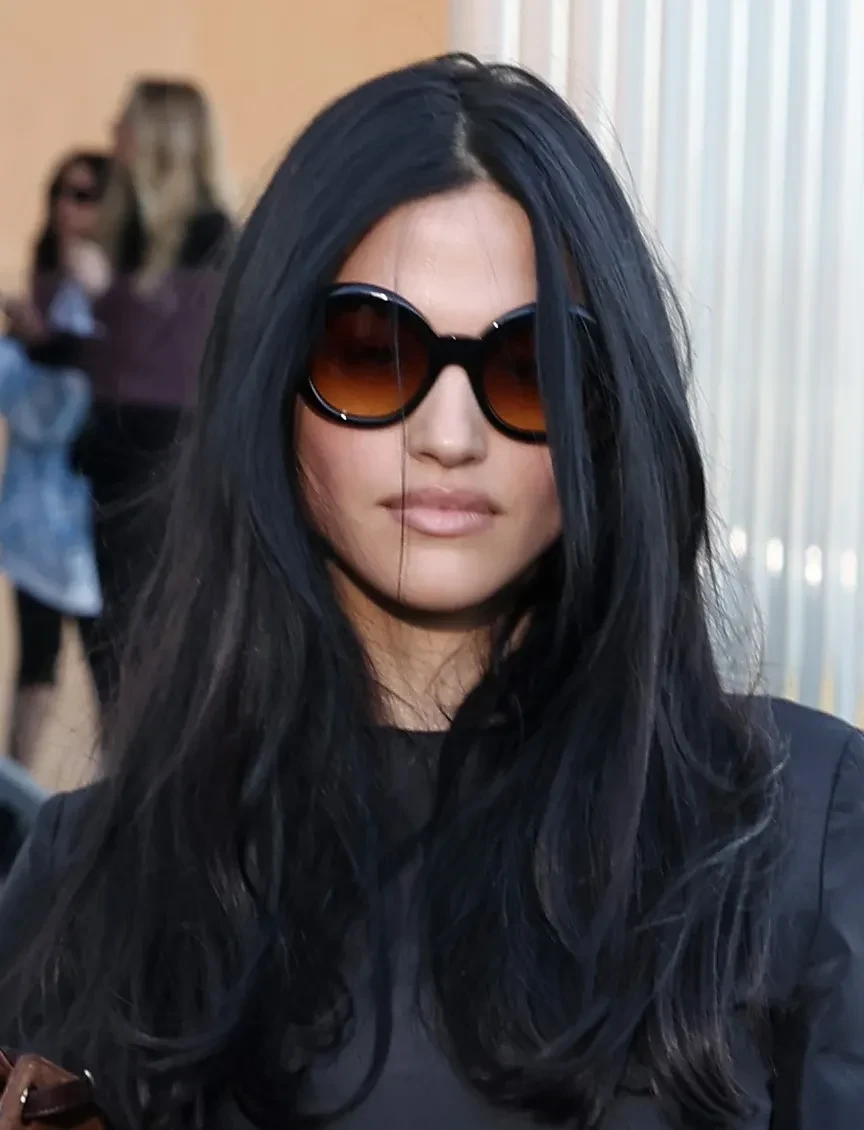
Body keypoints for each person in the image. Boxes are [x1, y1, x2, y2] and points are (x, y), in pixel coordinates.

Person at [0, 54, 862, 1130]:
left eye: (530, 368)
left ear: (609, 411)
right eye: (374, 355)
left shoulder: (803, 836)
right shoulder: (96, 878)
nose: (449, 436)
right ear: (272, 388)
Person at [66, 78, 232, 710]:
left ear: (161, 138)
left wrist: (105, 296)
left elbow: (172, 362)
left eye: (126, 122)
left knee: (148, 645)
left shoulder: (212, 236)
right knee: (107, 645)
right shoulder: (128, 233)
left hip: (163, 470)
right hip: (110, 464)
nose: (114, 134)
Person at [0, 151, 110, 766]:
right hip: (38, 520)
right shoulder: (54, 285)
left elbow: (58, 409)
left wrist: (31, 347)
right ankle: (15, 807)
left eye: (85, 195)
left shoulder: (110, 295)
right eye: (61, 193)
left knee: (114, 673)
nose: (69, 209)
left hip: (96, 513)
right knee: (36, 669)